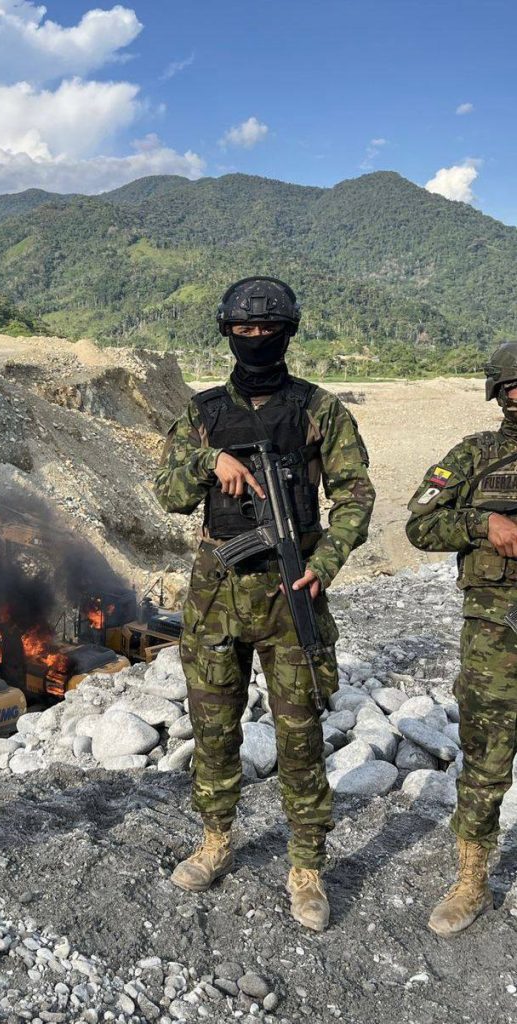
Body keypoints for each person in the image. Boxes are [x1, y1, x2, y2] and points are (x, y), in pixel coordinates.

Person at [153, 277, 375, 931]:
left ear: (287, 333)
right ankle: (215, 841)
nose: (256, 339)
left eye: (268, 329)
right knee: (214, 732)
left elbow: (355, 496)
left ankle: (306, 865)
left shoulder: (318, 409)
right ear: (227, 333)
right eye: (244, 330)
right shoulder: (200, 413)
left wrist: (323, 565)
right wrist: (208, 463)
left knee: (300, 737)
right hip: (216, 596)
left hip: (289, 589)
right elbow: (167, 492)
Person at [405, 341, 517, 937]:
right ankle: (472, 878)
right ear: (499, 392)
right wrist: (482, 523)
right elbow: (419, 523)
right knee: (487, 758)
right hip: (496, 639)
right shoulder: (475, 455)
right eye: (516, 387)